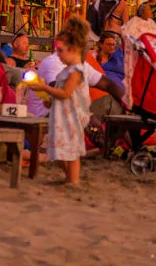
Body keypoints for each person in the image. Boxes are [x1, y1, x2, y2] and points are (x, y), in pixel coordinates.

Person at [27, 16, 92, 185]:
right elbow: (60, 95)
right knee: (62, 151)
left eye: (61, 51)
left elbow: (65, 93)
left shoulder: (76, 71)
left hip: (71, 117)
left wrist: (45, 89)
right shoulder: (67, 70)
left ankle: (73, 181)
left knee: (71, 152)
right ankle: (68, 178)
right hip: (62, 115)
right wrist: (49, 99)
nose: (58, 55)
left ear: (74, 49)